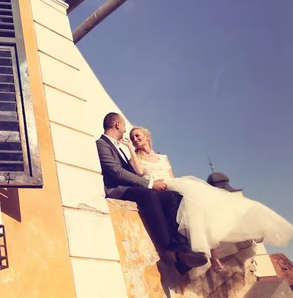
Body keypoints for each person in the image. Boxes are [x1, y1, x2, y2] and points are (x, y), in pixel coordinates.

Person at [129, 125, 293, 277]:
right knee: (195, 209)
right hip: (160, 190)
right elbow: (139, 172)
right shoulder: (136, 158)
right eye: (133, 137)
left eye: (137, 135)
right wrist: (130, 148)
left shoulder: (163, 157)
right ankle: (213, 257)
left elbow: (172, 176)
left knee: (205, 207)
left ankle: (247, 232)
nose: (135, 139)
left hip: (175, 185)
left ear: (146, 135)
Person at [96, 112, 207, 275]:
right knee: (150, 195)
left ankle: (182, 251)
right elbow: (117, 172)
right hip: (117, 190)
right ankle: (169, 249)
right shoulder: (102, 143)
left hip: (131, 188)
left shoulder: (117, 146)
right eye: (124, 126)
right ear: (118, 125)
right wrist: (149, 183)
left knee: (173, 196)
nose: (126, 131)